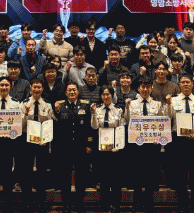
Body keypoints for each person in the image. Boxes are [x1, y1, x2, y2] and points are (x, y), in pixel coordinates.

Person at [125, 75, 174, 213]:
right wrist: (127, 107)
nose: (145, 89)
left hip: (152, 145)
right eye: (143, 87)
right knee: (137, 174)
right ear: (138, 88)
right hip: (137, 145)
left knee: (151, 174)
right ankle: (136, 203)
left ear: (151, 89)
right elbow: (127, 121)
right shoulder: (132, 104)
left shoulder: (157, 104)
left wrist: (168, 104)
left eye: (148, 87)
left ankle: (149, 203)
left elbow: (165, 121)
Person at [169, 73, 194, 213]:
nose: (185, 84)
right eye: (183, 82)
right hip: (178, 142)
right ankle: (183, 204)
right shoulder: (172, 101)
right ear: (179, 85)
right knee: (180, 174)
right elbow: (167, 119)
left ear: (192, 84)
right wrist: (167, 105)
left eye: (188, 82)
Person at [53, 82, 93, 213]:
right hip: (65, 147)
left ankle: (79, 202)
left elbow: (89, 126)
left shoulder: (85, 105)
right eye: (69, 90)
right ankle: (66, 203)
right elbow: (56, 126)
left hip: (80, 147)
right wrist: (56, 111)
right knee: (65, 176)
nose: (72, 92)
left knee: (81, 175)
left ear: (78, 92)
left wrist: (88, 144)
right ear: (65, 93)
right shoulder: (60, 106)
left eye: (74, 90)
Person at [0, 76, 22, 213]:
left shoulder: (15, 104)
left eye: (6, 85)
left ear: (10, 87)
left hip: (8, 144)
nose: (4, 87)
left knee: (7, 174)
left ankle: (7, 203)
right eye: (2, 85)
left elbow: (18, 123)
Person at [18, 78, 54, 213]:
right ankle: (26, 201)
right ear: (30, 89)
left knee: (41, 171)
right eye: (34, 87)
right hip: (27, 141)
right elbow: (20, 126)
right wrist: (26, 113)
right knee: (26, 170)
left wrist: (45, 140)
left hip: (42, 142)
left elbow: (49, 124)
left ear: (42, 89)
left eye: (39, 87)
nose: (36, 89)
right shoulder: (23, 104)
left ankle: (40, 201)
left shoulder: (47, 105)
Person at [91, 85, 124, 213]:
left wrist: (118, 146)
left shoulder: (118, 110)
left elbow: (121, 129)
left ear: (112, 95)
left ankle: (116, 205)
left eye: (108, 94)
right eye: (103, 94)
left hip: (114, 150)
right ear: (101, 96)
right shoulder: (97, 109)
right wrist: (93, 113)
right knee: (104, 180)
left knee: (116, 180)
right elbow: (94, 127)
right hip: (101, 150)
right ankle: (104, 205)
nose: (106, 96)